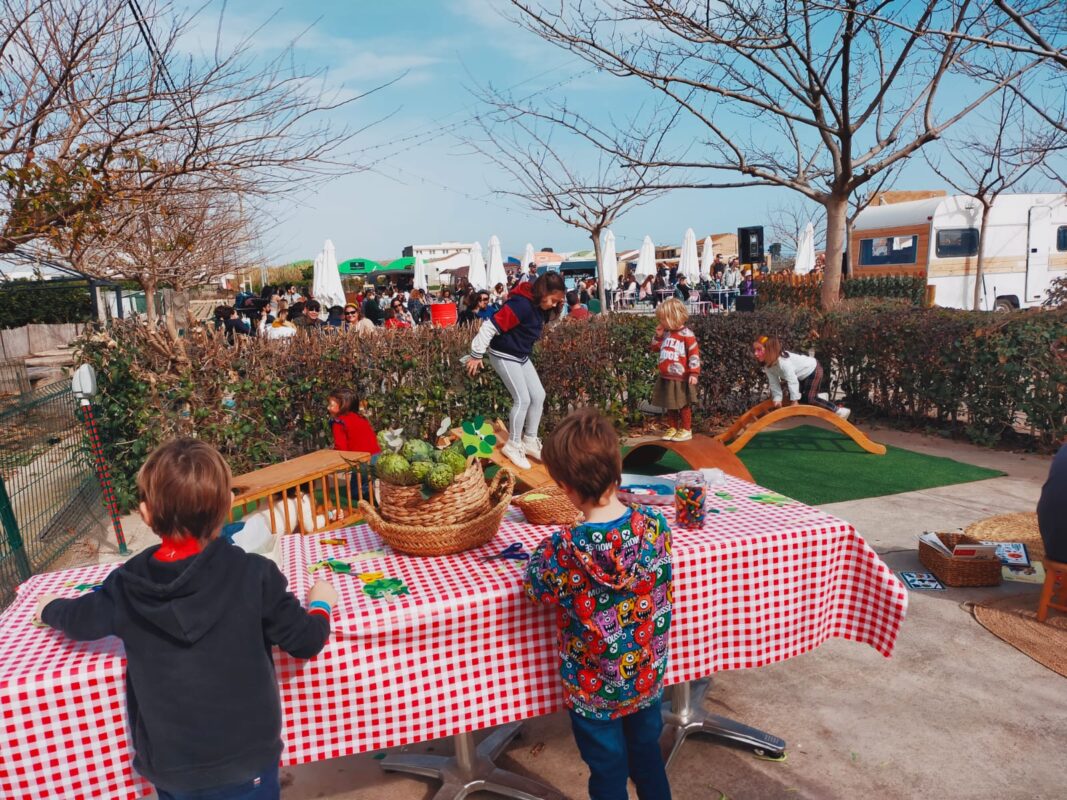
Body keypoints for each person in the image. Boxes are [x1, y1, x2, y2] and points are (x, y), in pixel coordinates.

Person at [34, 439, 336, 800]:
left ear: (145, 513)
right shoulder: (254, 575)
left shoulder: (127, 586)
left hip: (172, 770)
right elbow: (305, 641)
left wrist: (49, 609)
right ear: (227, 506)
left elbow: (80, 620)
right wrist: (321, 604)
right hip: (248, 763)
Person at [524, 408, 673, 800]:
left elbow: (535, 587)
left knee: (607, 771)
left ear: (565, 487)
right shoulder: (655, 526)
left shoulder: (562, 550)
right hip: (646, 676)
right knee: (648, 757)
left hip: (593, 690)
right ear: (617, 468)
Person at [466, 272, 566, 470]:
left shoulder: (540, 306)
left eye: (558, 301)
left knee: (538, 395)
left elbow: (550, 320)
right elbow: (490, 326)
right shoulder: (521, 305)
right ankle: (513, 445)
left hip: (519, 355)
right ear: (544, 292)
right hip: (503, 353)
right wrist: (476, 354)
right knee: (523, 399)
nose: (555, 304)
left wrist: (558, 307)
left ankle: (529, 440)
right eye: (554, 300)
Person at [753, 334, 850, 419]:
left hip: (813, 369)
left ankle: (839, 411)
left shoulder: (783, 362)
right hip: (802, 375)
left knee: (810, 399)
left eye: (759, 350)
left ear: (770, 351)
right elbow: (774, 382)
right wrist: (777, 399)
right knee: (804, 398)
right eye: (755, 350)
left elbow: (792, 381)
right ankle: (821, 397)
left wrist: (794, 401)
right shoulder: (768, 365)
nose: (755, 353)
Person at [651, 298, 700, 442]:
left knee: (683, 403)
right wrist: (658, 336)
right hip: (666, 376)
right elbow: (654, 348)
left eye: (663, 319)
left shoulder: (687, 335)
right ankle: (673, 427)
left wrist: (694, 372)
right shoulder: (666, 333)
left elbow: (694, 354)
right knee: (670, 404)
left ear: (674, 317)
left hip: (681, 377)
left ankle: (686, 429)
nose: (661, 322)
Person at [328, 388, 380, 502]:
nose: (328, 408)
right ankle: (373, 494)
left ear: (343, 405)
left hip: (361, 459)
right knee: (366, 480)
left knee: (358, 491)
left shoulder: (338, 422)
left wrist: (334, 456)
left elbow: (341, 447)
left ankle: (370, 501)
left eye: (331, 405)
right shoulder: (361, 417)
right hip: (376, 455)